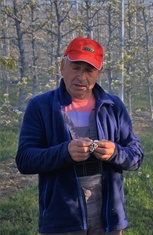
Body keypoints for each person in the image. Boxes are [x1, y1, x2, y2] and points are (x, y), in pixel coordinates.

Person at [16, 37, 144, 234]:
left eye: (89, 70)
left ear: (98, 73)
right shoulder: (41, 106)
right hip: (62, 217)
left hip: (108, 216)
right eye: (76, 68)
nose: (81, 77)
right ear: (62, 66)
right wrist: (64, 152)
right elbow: (25, 160)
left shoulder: (113, 106)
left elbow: (135, 156)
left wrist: (115, 152)